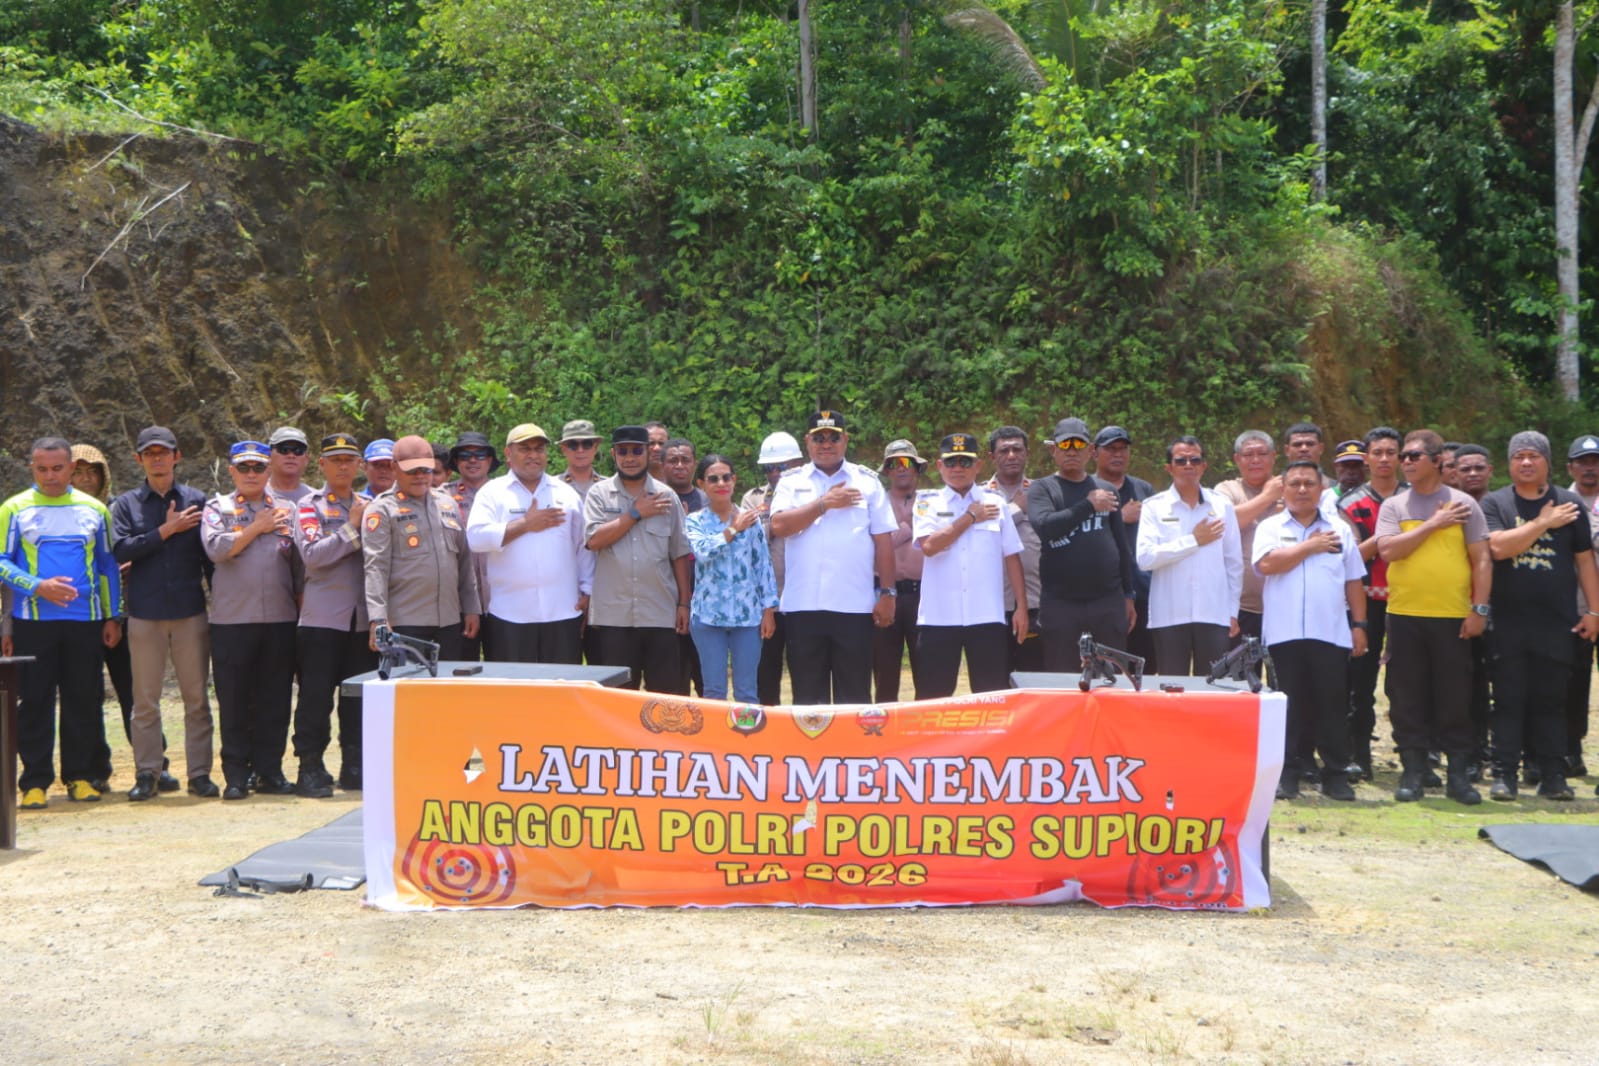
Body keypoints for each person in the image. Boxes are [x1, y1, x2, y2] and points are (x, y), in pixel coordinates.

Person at [1, 437, 122, 809]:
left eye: (57, 468)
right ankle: (34, 782)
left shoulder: (94, 509)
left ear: (72, 468)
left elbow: (107, 566)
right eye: (42, 469)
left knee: (83, 699)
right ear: (32, 468)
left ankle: (80, 776)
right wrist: (38, 587)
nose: (50, 476)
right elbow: (2, 562)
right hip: (33, 622)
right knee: (35, 701)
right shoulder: (14, 508)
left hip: (84, 622)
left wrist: (112, 615)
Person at [1480, 432, 1599, 801]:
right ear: (1509, 463)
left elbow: (1584, 560)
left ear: (1548, 462)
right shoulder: (1495, 502)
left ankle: (1554, 776)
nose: (1526, 462)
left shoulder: (1570, 503)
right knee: (1509, 701)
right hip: (1509, 623)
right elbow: (1498, 548)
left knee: (1552, 703)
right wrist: (1543, 523)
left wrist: (1594, 611)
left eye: (1533, 456)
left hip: (1557, 622)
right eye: (1519, 456)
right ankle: (1504, 777)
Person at [1376, 429, 1492, 805]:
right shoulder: (1395, 506)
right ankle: (1412, 773)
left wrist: (1480, 609)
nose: (1405, 462)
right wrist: (1432, 526)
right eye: (1403, 457)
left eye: (1413, 456)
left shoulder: (1463, 505)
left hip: (1452, 617)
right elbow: (1389, 551)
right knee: (1406, 697)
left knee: (1455, 698)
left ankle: (1458, 776)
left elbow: (1482, 559)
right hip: (1405, 616)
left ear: (1438, 460)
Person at [111, 426, 217, 800]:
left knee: (196, 700)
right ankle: (147, 773)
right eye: (149, 453)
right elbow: (121, 550)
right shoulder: (125, 505)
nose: (157, 458)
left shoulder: (198, 500)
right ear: (138, 459)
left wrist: (219, 605)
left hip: (190, 612)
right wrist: (166, 530)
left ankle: (200, 774)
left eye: (164, 452)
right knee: (144, 701)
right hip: (145, 614)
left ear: (177, 456)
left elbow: (210, 559)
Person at [1254, 461, 1369, 801]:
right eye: (1295, 484)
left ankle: (1335, 774)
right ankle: (1285, 774)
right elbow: (1266, 565)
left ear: (1322, 490)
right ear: (1284, 490)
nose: (1302, 489)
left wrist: (1359, 626)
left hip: (1330, 633)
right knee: (1286, 707)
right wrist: (1309, 546)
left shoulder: (1340, 530)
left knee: (1331, 706)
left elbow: (1353, 581)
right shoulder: (1270, 527)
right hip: (1282, 634)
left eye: (1309, 484)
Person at [769, 410, 897, 704]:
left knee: (854, 698)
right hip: (804, 607)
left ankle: (852, 752)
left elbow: (883, 541)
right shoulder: (791, 482)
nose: (826, 444)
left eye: (833, 437)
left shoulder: (866, 481)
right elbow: (779, 525)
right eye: (819, 438)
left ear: (845, 440)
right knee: (807, 698)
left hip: (854, 607)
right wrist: (824, 503)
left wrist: (888, 592)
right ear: (807, 442)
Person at [201, 440, 303, 801]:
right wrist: (256, 528)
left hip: (279, 618)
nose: (250, 474)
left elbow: (298, 565)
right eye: (243, 468)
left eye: (258, 468)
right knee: (235, 699)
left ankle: (270, 771)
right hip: (233, 621)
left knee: (275, 698)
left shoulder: (288, 510)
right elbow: (216, 549)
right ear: (231, 471)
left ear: (268, 471)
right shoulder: (218, 507)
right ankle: (235, 774)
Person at [291, 432, 378, 796]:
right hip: (322, 620)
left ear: (359, 465)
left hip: (362, 621)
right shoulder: (309, 506)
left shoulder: (372, 505)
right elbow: (313, 555)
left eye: (349, 459)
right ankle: (309, 766)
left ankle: (354, 764)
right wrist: (352, 528)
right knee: (315, 697)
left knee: (358, 699)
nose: (343, 465)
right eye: (335, 459)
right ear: (322, 465)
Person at [913, 433, 1028, 699]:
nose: (957, 468)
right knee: (932, 697)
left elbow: (1012, 556)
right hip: (939, 618)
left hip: (985, 616)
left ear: (978, 466)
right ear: (940, 466)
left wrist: (1021, 607)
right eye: (951, 462)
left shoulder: (996, 503)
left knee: (991, 697)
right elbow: (929, 547)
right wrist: (969, 518)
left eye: (965, 462)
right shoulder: (927, 502)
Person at [466, 423, 592, 664]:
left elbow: (582, 547)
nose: (533, 455)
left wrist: (587, 589)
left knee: (560, 691)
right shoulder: (492, 492)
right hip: (510, 615)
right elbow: (476, 538)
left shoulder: (565, 494)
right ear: (508, 453)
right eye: (525, 449)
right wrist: (525, 524)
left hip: (563, 611)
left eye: (539, 449)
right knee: (515, 694)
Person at [583, 425, 693, 693]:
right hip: (614, 617)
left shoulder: (667, 497)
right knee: (619, 699)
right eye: (623, 451)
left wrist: (683, 604)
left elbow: (679, 553)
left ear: (648, 453)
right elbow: (594, 540)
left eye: (636, 450)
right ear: (613, 454)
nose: (629, 457)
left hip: (659, 613)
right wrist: (635, 513)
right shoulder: (599, 493)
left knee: (665, 698)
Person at [1026, 417, 1136, 669]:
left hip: (1107, 600)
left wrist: (1128, 595)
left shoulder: (1106, 488)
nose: (1072, 451)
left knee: (1113, 676)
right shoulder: (1042, 489)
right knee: (1062, 679)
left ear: (1090, 452)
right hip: (1061, 602)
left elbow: (1121, 545)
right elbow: (1045, 527)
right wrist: (1088, 505)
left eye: (1079, 445)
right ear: (1053, 450)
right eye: (1066, 445)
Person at [363, 435, 482, 662]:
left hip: (450, 620)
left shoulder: (447, 504)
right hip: (405, 623)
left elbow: (464, 562)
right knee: (410, 693)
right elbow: (375, 567)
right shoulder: (382, 509)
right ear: (394, 467)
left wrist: (471, 608)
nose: (420, 476)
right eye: (412, 470)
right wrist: (378, 619)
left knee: (449, 693)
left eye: (425, 470)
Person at [69, 442, 144, 793]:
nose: (85, 479)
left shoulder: (120, 509)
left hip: (124, 612)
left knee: (135, 691)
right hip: (78, 615)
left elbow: (135, 547)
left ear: (103, 475)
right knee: (86, 694)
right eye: (78, 471)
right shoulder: (61, 513)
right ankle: (95, 767)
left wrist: (129, 564)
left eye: (92, 471)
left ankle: (152, 764)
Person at [1136, 436, 1243, 675]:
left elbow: (1233, 563)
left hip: (1214, 613)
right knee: (1172, 690)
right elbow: (1145, 559)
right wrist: (1193, 541)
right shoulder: (1154, 506)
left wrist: (1232, 611)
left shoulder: (1222, 505)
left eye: (1195, 460)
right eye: (1180, 460)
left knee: (1213, 689)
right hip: (1169, 614)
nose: (1188, 465)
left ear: (1204, 466)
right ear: (1168, 467)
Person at [1337, 426, 1405, 782]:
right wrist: (1387, 536)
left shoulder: (1417, 497)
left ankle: (1415, 757)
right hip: (1364, 601)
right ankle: (1358, 755)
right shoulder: (1349, 504)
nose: (1383, 459)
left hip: (1410, 601)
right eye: (1377, 452)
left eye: (1390, 452)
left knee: (1408, 682)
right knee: (1359, 683)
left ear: (1400, 457)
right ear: (1367, 459)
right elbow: (1350, 557)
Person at [686, 454, 778, 702]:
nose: (720, 483)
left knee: (747, 690)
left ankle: (746, 740)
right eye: (713, 479)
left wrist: (768, 609)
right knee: (714, 691)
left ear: (734, 480)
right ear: (702, 484)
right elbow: (704, 553)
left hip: (747, 616)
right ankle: (715, 741)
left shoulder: (752, 519)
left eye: (726, 477)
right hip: (708, 617)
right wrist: (734, 528)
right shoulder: (695, 521)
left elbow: (763, 565)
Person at [743, 431, 805, 704]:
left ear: (797, 464)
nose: (776, 473)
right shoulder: (753, 500)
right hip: (766, 602)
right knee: (765, 675)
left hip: (805, 600)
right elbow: (750, 544)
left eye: (782, 467)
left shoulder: (811, 496)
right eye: (769, 468)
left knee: (805, 674)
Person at [1093, 425, 1156, 670]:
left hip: (1141, 591)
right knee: (1105, 670)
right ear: (1095, 453)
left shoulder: (1143, 489)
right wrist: (1120, 517)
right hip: (1101, 592)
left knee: (1143, 667)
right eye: (1110, 449)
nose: (1118, 454)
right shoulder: (1086, 488)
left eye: (1123, 449)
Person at [984, 426, 1044, 676]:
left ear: (1027, 453)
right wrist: (1017, 509)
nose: (1011, 455)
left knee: (1036, 680)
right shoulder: (979, 495)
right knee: (995, 680)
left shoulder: (1043, 492)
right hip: (993, 604)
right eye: (1004, 450)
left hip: (1036, 601)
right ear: (992, 457)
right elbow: (987, 531)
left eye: (1017, 449)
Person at [873, 440, 927, 702]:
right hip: (885, 594)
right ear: (887, 470)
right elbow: (871, 549)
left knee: (927, 670)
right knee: (884, 671)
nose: (901, 468)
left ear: (917, 468)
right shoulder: (876, 502)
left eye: (907, 462)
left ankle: (927, 734)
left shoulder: (933, 500)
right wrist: (907, 529)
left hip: (924, 595)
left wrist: (898, 532)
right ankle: (883, 734)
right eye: (894, 464)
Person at [1214, 430, 1282, 643]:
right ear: (1237, 459)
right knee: (1240, 674)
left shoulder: (1291, 488)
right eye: (1248, 455)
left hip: (1284, 605)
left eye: (1262, 454)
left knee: (1281, 675)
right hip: (1240, 606)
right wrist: (1268, 496)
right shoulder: (1227, 490)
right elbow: (1225, 524)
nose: (1255, 460)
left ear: (1274, 456)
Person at [445, 431, 499, 661]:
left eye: (480, 455)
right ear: (456, 462)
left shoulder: (504, 494)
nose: (472, 460)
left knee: (505, 668)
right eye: (465, 455)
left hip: (501, 598)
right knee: (463, 668)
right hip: (459, 599)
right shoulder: (442, 496)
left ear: (490, 460)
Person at [1564, 433, 1599, 782]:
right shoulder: (1559, 503)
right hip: (1574, 608)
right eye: (1583, 462)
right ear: (1570, 467)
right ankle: (1570, 751)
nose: (1590, 468)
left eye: (1596, 462)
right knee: (1572, 683)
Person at [266, 427, 314, 503]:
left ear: (306, 459)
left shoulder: (316, 500)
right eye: (284, 450)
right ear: (269, 456)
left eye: (298, 451)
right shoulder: (254, 494)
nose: (291, 456)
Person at [557, 419, 603, 498]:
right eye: (573, 445)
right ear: (563, 449)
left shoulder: (610, 488)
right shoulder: (552, 487)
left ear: (595, 448)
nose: (580, 450)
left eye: (587, 444)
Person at [662, 438, 706, 513]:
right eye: (673, 461)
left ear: (695, 465)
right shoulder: (653, 499)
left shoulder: (707, 502)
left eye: (686, 460)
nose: (680, 466)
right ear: (662, 465)